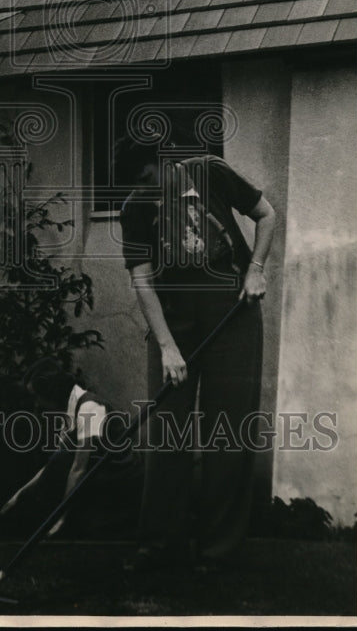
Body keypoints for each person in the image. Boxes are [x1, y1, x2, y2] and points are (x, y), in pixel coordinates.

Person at [116, 134, 275, 573]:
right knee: (167, 433)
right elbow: (143, 282)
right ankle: (159, 544)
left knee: (227, 430)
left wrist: (256, 270)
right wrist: (167, 347)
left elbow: (266, 215)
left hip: (233, 317)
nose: (145, 190)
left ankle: (217, 550)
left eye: (149, 178)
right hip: (174, 324)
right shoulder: (136, 207)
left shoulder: (212, 172)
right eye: (137, 184)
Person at [0, 358, 132, 535]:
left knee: (63, 458)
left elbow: (78, 468)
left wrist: (61, 519)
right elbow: (51, 467)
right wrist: (20, 495)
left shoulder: (88, 407)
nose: (37, 404)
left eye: (37, 397)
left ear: (52, 393)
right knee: (58, 460)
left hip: (120, 475)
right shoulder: (69, 414)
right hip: (96, 474)